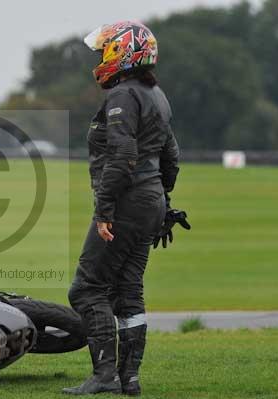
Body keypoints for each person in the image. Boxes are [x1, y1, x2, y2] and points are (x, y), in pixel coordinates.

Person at [64, 21, 190, 396]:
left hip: (126, 202)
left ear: (123, 53)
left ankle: (103, 376)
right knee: (128, 291)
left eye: (105, 50)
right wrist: (162, 203)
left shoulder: (123, 96)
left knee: (86, 289)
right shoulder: (156, 95)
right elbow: (172, 157)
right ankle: (129, 379)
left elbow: (122, 156)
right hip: (149, 201)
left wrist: (104, 211)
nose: (101, 57)